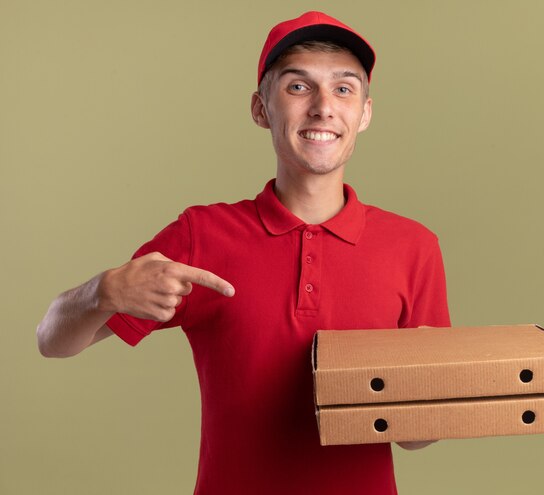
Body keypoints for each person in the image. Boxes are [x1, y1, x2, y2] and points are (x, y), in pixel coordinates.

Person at [37, 11, 450, 495]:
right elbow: (52, 339)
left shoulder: (413, 246)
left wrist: (425, 392)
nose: (323, 107)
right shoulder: (202, 235)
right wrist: (101, 292)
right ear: (260, 109)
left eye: (344, 89)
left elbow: (418, 440)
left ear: (365, 113)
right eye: (298, 87)